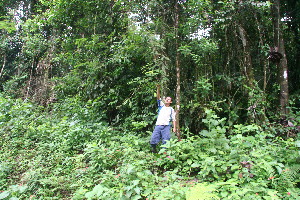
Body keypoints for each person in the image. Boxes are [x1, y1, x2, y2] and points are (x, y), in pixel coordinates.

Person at [150, 85, 176, 153]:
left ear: (170, 102)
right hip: (158, 125)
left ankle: (164, 154)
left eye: (169, 99)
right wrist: (158, 88)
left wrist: (174, 128)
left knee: (166, 141)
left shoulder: (171, 109)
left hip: (166, 127)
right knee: (153, 139)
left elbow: (173, 119)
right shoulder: (161, 105)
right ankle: (154, 150)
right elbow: (158, 97)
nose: (167, 100)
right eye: (166, 99)